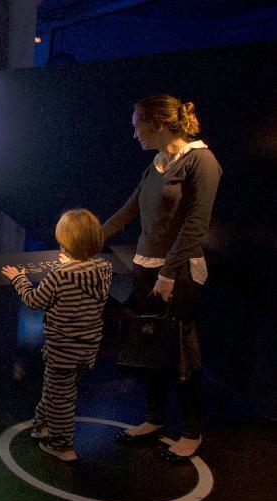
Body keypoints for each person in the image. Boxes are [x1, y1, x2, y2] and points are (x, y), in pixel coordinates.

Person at [104, 94, 221, 462]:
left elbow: (195, 225)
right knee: (149, 345)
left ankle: (190, 430)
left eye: (138, 124)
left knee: (181, 348)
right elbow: (128, 211)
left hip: (180, 271)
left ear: (157, 123)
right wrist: (89, 239)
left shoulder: (201, 161)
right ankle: (154, 418)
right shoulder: (156, 163)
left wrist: (169, 273)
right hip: (146, 265)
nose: (134, 132)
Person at [2, 209, 113, 462]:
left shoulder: (60, 275)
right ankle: (42, 424)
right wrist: (73, 263)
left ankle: (62, 446)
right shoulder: (104, 268)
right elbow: (82, 274)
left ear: (65, 242)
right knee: (55, 388)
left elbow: (34, 300)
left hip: (63, 350)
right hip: (87, 348)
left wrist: (18, 278)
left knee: (62, 396)